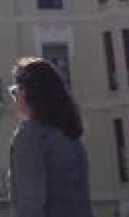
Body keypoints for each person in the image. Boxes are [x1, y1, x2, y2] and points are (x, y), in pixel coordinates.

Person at [9, 57, 94, 217]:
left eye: (14, 92)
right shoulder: (72, 137)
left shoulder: (31, 136)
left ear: (25, 92)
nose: (14, 100)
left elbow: (29, 207)